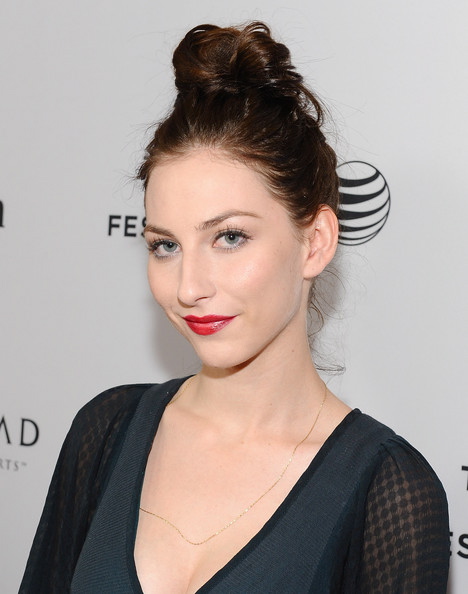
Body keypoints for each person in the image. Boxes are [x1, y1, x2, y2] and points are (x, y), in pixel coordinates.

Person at [20, 22, 450, 594]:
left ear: (315, 241)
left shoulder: (385, 489)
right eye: (165, 245)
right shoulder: (105, 432)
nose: (189, 286)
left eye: (229, 237)